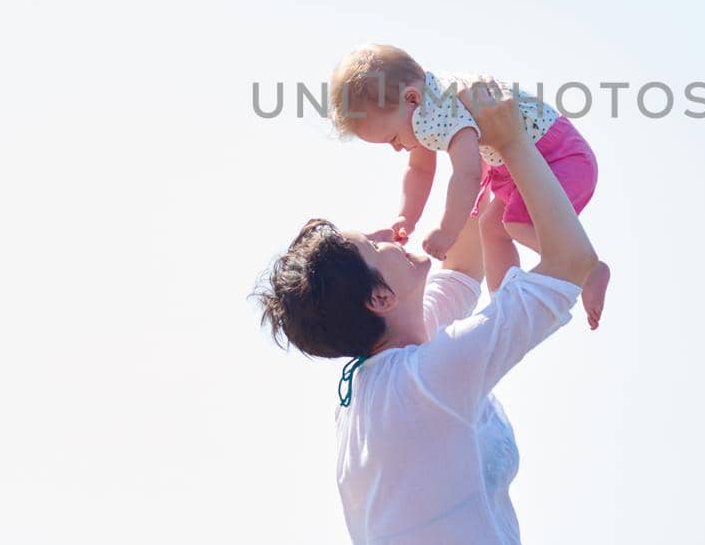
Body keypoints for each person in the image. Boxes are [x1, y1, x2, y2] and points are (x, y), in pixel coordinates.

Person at [255, 79, 602, 544]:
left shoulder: (387, 369)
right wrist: (516, 142)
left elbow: (463, 263)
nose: (385, 233)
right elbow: (569, 265)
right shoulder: (423, 380)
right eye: (373, 246)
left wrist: (471, 140)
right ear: (379, 299)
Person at [328, 42, 611, 329]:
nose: (397, 148)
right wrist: (407, 217)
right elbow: (419, 168)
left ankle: (586, 267)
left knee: (513, 225)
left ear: (411, 99)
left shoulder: (437, 113)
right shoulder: (424, 104)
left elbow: (468, 175)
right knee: (491, 226)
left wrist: (447, 232)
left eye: (393, 138)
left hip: (558, 156)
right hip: (524, 161)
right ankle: (506, 309)